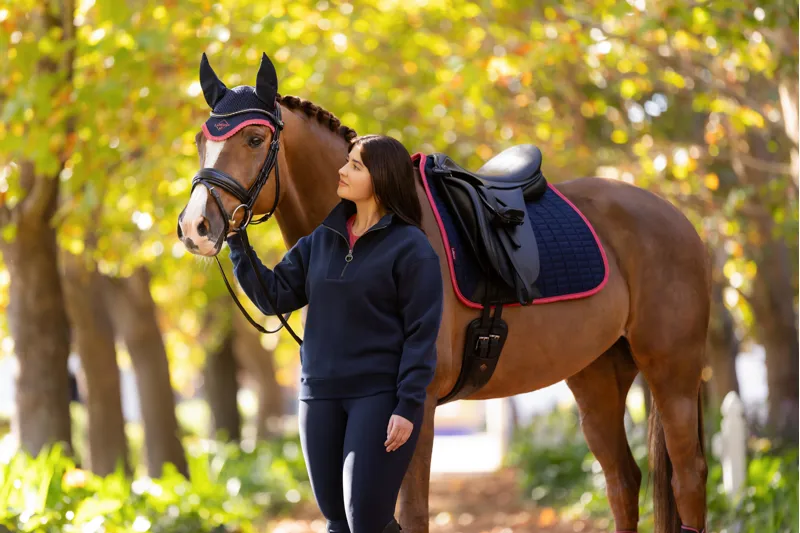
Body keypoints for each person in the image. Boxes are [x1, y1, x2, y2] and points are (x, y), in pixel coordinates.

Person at [226, 134, 445, 533]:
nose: (342, 170)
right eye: (347, 161)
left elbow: (421, 335)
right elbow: (273, 296)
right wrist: (237, 242)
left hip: (378, 398)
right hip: (319, 395)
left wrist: (408, 406)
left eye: (356, 165)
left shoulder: (412, 248)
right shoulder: (321, 240)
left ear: (381, 178)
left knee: (366, 520)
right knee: (337, 520)